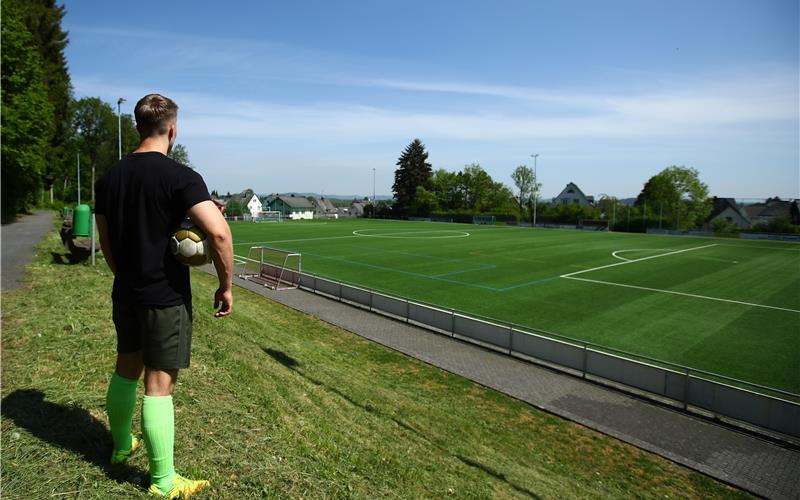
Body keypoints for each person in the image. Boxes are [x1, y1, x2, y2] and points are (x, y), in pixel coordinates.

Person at [95, 93, 233, 498]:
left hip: (126, 292)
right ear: (172, 129)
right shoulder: (181, 177)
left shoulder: (109, 178)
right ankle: (163, 482)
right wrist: (226, 286)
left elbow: (108, 244)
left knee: (126, 370)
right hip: (164, 297)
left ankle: (122, 446)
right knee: (159, 385)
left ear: (137, 127)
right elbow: (220, 233)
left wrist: (129, 275)